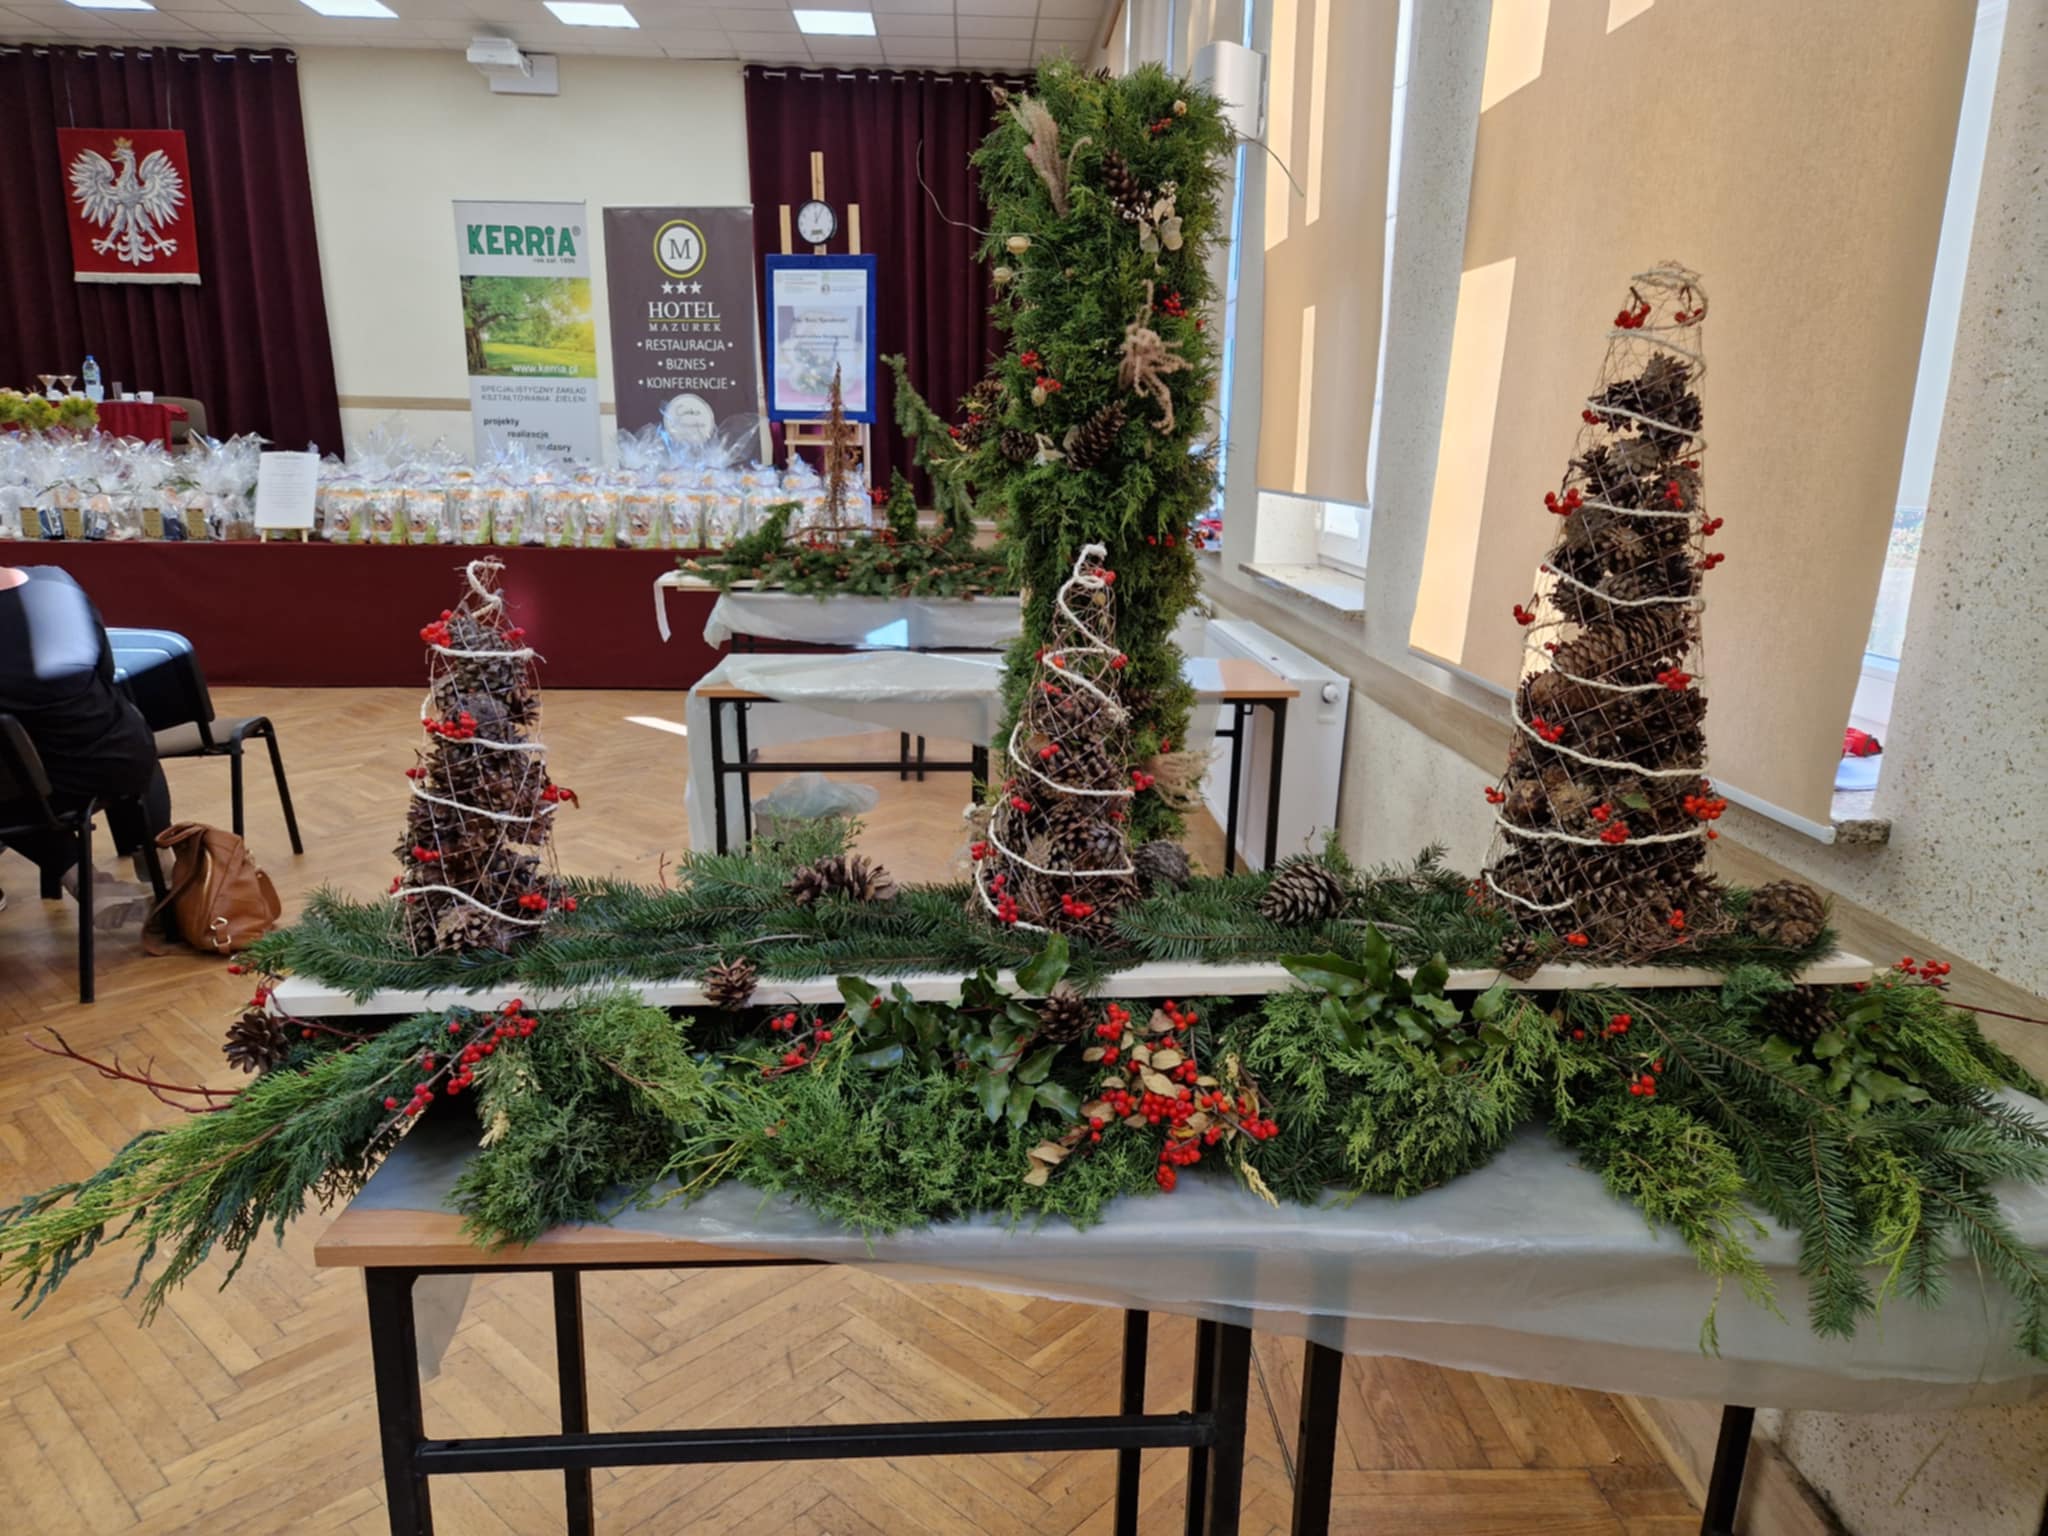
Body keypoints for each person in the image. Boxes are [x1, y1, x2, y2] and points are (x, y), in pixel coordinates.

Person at [0, 564, 170, 926]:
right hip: (117, 754)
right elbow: (104, 670)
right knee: (129, 728)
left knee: (11, 781)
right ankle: (157, 858)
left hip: (31, 782)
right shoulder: (54, 583)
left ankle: (85, 879)